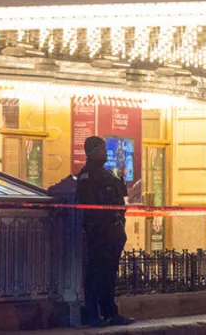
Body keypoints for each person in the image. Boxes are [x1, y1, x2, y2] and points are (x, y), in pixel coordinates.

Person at [77, 136, 135, 327]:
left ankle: (110, 312)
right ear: (92, 151)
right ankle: (93, 314)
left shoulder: (106, 174)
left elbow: (118, 201)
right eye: (101, 149)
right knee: (95, 275)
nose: (104, 153)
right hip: (99, 235)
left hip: (113, 233)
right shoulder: (87, 176)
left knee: (109, 276)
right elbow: (90, 207)